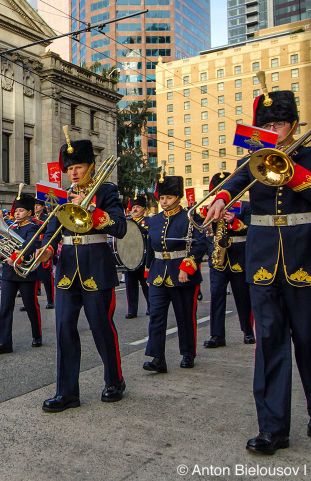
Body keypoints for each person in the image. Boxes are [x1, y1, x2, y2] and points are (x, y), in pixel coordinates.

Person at [205, 85, 311, 455]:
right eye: (267, 125)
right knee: (268, 343)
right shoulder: (252, 162)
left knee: (310, 341)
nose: (275, 130)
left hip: (307, 261)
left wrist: (292, 170)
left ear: (294, 124)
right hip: (264, 262)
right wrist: (219, 198)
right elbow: (233, 184)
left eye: (280, 123)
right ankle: (272, 428)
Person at [40, 137, 128, 412]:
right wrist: (47, 248)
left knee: (101, 327)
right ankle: (67, 393)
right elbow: (52, 230)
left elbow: (120, 227)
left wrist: (91, 207)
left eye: (78, 166)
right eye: (70, 168)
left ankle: (114, 380)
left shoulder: (107, 191)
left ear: (91, 166)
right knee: (64, 328)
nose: (74, 172)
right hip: (66, 270)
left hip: (96, 267)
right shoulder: (62, 195)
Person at [142, 171, 206, 374]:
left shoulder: (190, 217)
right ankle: (157, 358)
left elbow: (200, 244)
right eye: (161, 198)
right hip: (158, 272)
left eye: (168, 197)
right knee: (156, 317)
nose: (164, 201)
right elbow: (150, 249)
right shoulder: (153, 221)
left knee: (185, 316)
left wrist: (187, 267)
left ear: (178, 197)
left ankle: (188, 353)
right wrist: (148, 274)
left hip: (182, 273)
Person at [203, 171, 255, 348]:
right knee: (217, 296)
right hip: (219, 257)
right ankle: (217, 335)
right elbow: (201, 230)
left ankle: (248, 331)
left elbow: (252, 230)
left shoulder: (246, 206)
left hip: (238, 256)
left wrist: (234, 222)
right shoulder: (209, 207)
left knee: (243, 297)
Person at [0, 189, 43, 356]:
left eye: (20, 211)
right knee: (5, 307)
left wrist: (15, 255)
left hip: (27, 273)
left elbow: (30, 244)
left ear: (29, 212)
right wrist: (0, 249)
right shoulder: (10, 227)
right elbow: (3, 244)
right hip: (9, 272)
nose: (17, 214)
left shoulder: (33, 227)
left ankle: (37, 335)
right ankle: (4, 342)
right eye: (16, 211)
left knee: (30, 305)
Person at [125, 190, 151, 318]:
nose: (135, 209)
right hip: (130, 257)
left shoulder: (148, 222)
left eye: (138, 207)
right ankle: (132, 310)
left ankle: (150, 306)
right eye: (133, 207)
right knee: (130, 286)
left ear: (144, 210)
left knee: (146, 284)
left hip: (144, 257)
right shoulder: (127, 221)